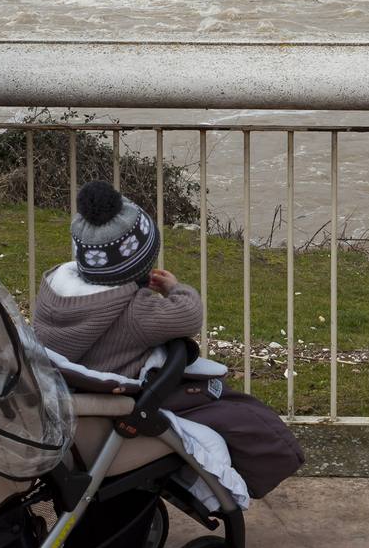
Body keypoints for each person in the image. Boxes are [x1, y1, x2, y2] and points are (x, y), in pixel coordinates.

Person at [33, 181, 304, 500]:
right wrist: (176, 288)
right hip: (120, 414)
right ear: (141, 265)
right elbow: (189, 314)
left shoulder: (53, 292)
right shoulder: (136, 312)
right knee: (237, 412)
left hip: (73, 414)